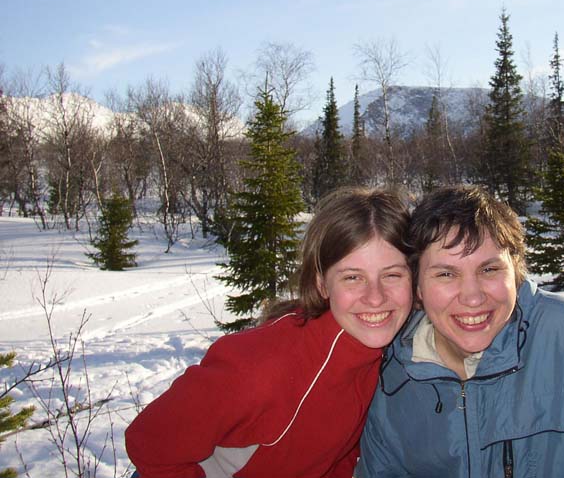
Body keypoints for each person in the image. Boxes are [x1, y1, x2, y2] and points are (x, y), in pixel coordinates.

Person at [357, 185, 564, 477]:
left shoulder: (562, 336)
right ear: (418, 288)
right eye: (446, 274)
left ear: (516, 273)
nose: (472, 297)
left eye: (489, 270)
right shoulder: (394, 371)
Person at [126, 187, 413, 478]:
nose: (375, 297)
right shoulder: (262, 368)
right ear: (321, 284)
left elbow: (339, 455)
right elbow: (148, 441)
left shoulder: (380, 356)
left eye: (392, 275)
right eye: (352, 277)